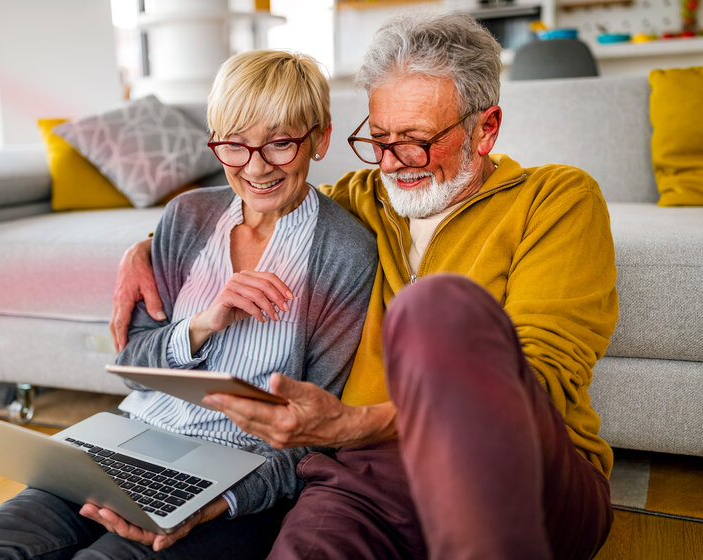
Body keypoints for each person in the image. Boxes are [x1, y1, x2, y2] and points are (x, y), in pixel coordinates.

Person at [110, 11, 618, 560]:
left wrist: (355, 422)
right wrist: (147, 246)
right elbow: (258, 203)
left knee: (434, 305)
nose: (395, 163)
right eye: (379, 139)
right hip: (367, 476)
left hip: (518, 470)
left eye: (418, 141)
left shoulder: (554, 200)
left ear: (486, 128)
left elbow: (538, 383)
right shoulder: (360, 199)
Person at [0, 50, 377, 560]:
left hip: (236, 474)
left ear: (321, 138)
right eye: (235, 146)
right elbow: (133, 368)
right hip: (128, 440)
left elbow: (313, 437)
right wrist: (203, 324)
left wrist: (219, 501)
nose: (256, 167)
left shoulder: (345, 252)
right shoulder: (188, 216)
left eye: (281, 143)